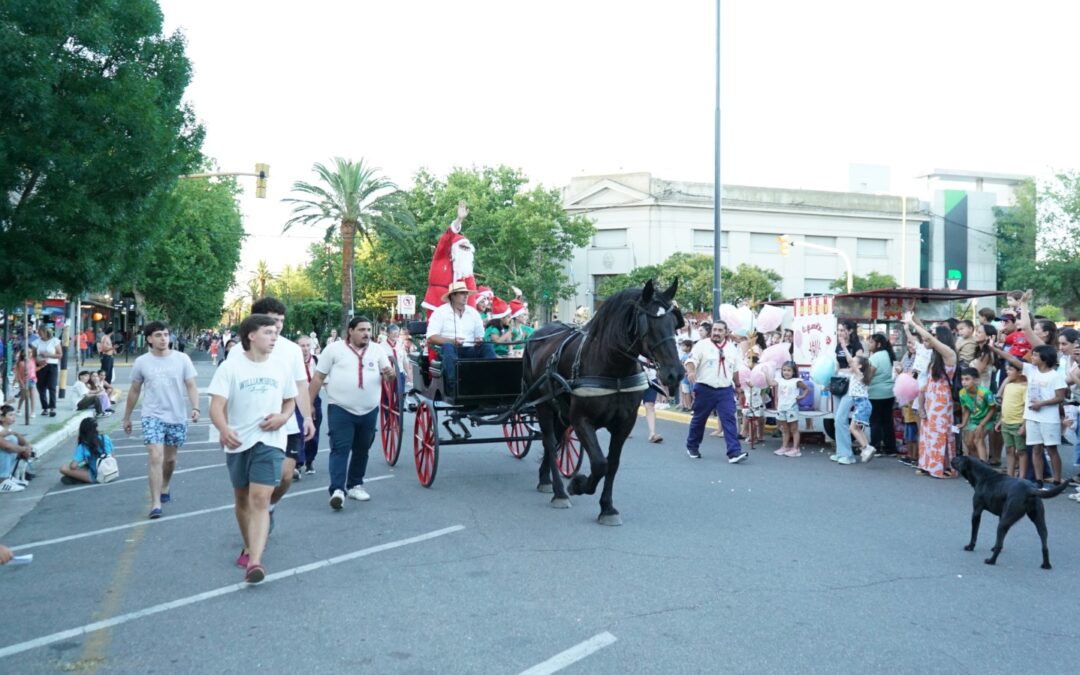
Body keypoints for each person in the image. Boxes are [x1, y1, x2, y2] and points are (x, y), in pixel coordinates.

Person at [209, 314, 298, 584]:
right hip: (238, 441)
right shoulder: (231, 367)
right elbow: (216, 406)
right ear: (251, 336)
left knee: (260, 499)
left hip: (270, 441)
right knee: (242, 499)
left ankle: (255, 562)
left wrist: (283, 418)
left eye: (275, 332)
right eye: (268, 332)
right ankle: (249, 545)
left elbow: (289, 401)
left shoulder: (280, 367)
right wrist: (225, 429)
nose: (274, 337)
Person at [227, 298, 316, 531]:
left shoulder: (292, 349)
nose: (278, 326)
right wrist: (225, 426)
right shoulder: (237, 352)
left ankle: (269, 506)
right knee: (248, 489)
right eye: (272, 321)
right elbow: (228, 391)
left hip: (287, 424)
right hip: (251, 428)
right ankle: (253, 535)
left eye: (281, 321)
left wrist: (306, 417)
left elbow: (301, 385)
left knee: (286, 477)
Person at [308, 316, 393, 510]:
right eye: (362, 330)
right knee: (340, 448)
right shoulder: (333, 350)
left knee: (362, 448)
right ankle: (337, 490)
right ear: (351, 331)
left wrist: (390, 375)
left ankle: (355, 484)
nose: (366, 334)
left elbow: (389, 377)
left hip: (369, 409)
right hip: (341, 408)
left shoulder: (377, 350)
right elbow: (318, 377)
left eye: (369, 330)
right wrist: (309, 404)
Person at [123, 321, 200, 519]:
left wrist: (196, 408)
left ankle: (165, 484)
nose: (163, 338)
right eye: (158, 335)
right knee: (155, 455)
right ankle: (155, 503)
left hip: (176, 415)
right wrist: (127, 417)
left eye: (165, 334)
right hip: (152, 415)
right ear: (149, 339)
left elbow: (191, 385)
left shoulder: (182, 359)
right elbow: (134, 390)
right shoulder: (142, 362)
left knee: (170, 459)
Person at [991, 342, 1067, 486]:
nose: (1032, 357)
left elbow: (1060, 397)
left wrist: (1041, 404)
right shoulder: (1031, 370)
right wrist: (994, 348)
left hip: (1049, 418)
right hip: (1032, 417)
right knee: (1036, 449)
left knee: (1051, 449)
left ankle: (1057, 480)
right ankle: (1038, 480)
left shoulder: (1055, 376)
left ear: (1044, 358)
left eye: (1036, 355)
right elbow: (1013, 360)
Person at [684, 321, 747, 463]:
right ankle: (692, 446)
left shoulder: (732, 349)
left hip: (724, 390)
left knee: (729, 419)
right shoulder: (702, 345)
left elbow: (735, 370)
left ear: (726, 332)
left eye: (720, 330)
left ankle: (734, 452)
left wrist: (737, 386)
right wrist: (691, 372)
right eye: (714, 330)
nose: (716, 333)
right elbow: (690, 361)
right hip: (705, 388)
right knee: (699, 419)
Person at [904, 311, 957, 479]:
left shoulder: (949, 354)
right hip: (931, 398)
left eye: (932, 338)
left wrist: (912, 324)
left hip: (941, 400)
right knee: (927, 433)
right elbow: (926, 385)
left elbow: (929, 337)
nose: (927, 340)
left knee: (939, 433)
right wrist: (921, 405)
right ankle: (928, 464)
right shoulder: (935, 358)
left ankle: (941, 466)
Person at [426, 281, 496, 395]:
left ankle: (490, 381)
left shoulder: (473, 313)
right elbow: (431, 337)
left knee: (487, 346)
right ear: (453, 296)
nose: (466, 296)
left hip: (470, 350)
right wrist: (452, 341)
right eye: (462, 293)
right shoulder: (440, 312)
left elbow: (480, 335)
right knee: (448, 347)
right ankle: (454, 386)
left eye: (466, 293)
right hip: (448, 352)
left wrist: (479, 340)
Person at [422, 201, 478, 313]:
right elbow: (447, 238)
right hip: (437, 303)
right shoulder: (441, 255)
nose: (465, 250)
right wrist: (459, 220)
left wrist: (471, 316)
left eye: (467, 248)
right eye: (462, 247)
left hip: (458, 310)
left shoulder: (466, 270)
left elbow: (471, 294)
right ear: (453, 248)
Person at [830, 320, 865, 465]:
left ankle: (848, 455)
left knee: (840, 418)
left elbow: (857, 367)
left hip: (852, 384)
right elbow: (837, 365)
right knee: (837, 420)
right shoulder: (837, 346)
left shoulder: (857, 346)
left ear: (850, 331)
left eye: (842, 330)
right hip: (839, 383)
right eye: (838, 330)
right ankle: (841, 452)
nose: (840, 333)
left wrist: (845, 348)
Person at [866, 333, 898, 456]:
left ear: (878, 344)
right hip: (890, 393)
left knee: (875, 421)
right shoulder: (889, 355)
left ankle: (876, 447)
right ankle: (891, 449)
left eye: (871, 342)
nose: (869, 344)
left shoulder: (875, 357)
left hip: (876, 393)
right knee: (887, 421)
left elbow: (869, 375)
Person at [994, 361, 1027, 478]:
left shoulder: (1024, 387)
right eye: (1007, 369)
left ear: (1020, 372)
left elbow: (1026, 407)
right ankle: (1010, 475)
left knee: (1021, 451)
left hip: (1018, 423)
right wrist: (1000, 421)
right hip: (1006, 423)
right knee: (1009, 450)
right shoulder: (1008, 385)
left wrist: (1024, 425)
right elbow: (1002, 402)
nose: (1007, 372)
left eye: (1010, 370)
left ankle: (1022, 477)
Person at [296, 335, 323, 476]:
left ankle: (309, 460)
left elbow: (324, 381)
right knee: (299, 429)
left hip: (315, 398)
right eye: (302, 346)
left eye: (308, 345)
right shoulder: (293, 362)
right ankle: (297, 463)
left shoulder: (317, 361)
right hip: (298, 399)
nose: (305, 349)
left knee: (314, 431)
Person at [60, 418, 114, 484]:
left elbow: (73, 466)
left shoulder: (83, 445)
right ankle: (78, 477)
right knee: (88, 465)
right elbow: (112, 456)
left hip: (97, 476)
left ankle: (76, 478)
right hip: (111, 471)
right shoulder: (105, 437)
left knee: (63, 468)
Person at [958, 367, 996, 462]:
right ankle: (976, 464)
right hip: (974, 420)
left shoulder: (986, 393)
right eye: (962, 379)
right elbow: (966, 409)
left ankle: (984, 467)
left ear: (976, 380)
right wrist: (963, 423)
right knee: (969, 443)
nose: (964, 382)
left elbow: (993, 409)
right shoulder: (962, 393)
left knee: (977, 440)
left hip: (987, 420)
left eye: (967, 379)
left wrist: (982, 425)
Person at [774, 361, 810, 457]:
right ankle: (785, 446)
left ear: (793, 372)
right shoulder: (779, 380)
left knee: (794, 429)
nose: (786, 372)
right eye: (784, 370)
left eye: (789, 370)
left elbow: (807, 389)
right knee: (785, 429)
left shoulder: (796, 381)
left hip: (791, 408)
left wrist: (802, 396)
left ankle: (796, 448)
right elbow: (771, 384)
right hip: (781, 408)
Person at [0, 405, 33, 492]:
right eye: (10, 415)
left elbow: (22, 441)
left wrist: (27, 447)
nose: (13, 417)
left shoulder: (7, 430)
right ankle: (2, 480)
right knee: (10, 441)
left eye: (14, 415)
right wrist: (23, 449)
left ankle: (7, 476)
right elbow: (6, 445)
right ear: (2, 418)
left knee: (13, 439)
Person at [35, 326, 62, 418]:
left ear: (46, 332)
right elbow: (33, 355)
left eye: (41, 332)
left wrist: (49, 355)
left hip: (52, 365)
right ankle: (45, 408)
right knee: (41, 387)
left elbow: (60, 354)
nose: (39, 334)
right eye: (38, 332)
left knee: (52, 386)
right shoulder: (37, 342)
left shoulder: (54, 341)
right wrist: (38, 361)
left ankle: (52, 407)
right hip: (40, 365)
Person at [15, 349, 37, 419]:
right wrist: (20, 382)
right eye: (28, 352)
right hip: (23, 381)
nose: (30, 354)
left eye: (31, 352)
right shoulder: (20, 362)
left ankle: (33, 411)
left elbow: (34, 369)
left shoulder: (33, 360)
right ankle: (18, 409)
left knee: (32, 396)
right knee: (23, 396)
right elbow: (18, 373)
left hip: (32, 380)